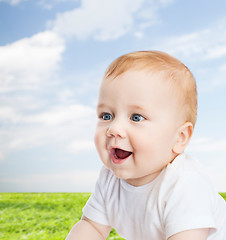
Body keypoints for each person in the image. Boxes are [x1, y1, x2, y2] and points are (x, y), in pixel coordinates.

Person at [66, 51, 226, 240]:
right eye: (106, 116)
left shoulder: (186, 184)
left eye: (136, 117)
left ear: (180, 137)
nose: (113, 128)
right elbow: (92, 226)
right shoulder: (109, 178)